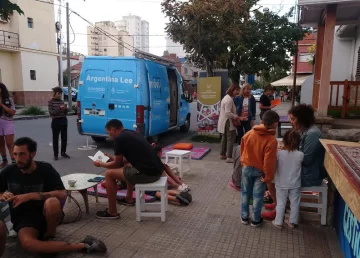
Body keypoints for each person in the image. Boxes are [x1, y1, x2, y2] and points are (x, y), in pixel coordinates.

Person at [0, 137, 106, 254]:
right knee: (28, 244)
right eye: (15, 154)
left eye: (22, 154)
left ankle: (50, 234)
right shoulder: (9, 171)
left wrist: (32, 195)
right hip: (24, 219)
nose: (17, 159)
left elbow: (62, 193)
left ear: (32, 154)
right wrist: (2, 195)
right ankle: (85, 245)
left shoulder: (46, 169)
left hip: (47, 214)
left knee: (52, 202)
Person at [94, 119, 164, 219]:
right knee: (127, 167)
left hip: (149, 174)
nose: (109, 136)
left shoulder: (119, 138)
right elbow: (124, 160)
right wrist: (111, 158)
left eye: (109, 133)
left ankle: (112, 212)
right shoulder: (131, 133)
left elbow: (115, 165)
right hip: (156, 170)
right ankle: (129, 198)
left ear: (113, 130)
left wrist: (100, 164)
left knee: (109, 174)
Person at [240, 110, 279, 227]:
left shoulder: (250, 133)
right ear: (275, 124)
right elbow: (269, 161)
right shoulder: (271, 140)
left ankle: (244, 216)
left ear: (262, 121)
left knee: (245, 193)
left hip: (246, 166)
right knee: (258, 195)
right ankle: (256, 219)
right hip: (260, 171)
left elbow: (242, 147)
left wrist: (243, 161)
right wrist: (268, 177)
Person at [288, 104, 327, 187]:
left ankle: (280, 199)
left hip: (309, 177)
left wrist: (289, 156)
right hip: (304, 173)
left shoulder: (311, 134)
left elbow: (306, 160)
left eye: (293, 119)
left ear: (302, 120)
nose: (291, 122)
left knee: (273, 177)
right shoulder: (305, 130)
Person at [272, 130, 304, 229]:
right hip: (295, 183)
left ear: (284, 141)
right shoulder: (300, 155)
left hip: (281, 182)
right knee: (295, 203)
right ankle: (293, 222)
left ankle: (278, 222)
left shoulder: (279, 154)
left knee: (281, 203)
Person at [218, 83, 244, 163]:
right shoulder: (229, 99)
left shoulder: (226, 98)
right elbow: (228, 113)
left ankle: (223, 154)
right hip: (228, 121)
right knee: (231, 139)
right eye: (237, 90)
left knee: (224, 138)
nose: (238, 92)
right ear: (232, 90)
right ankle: (229, 157)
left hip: (224, 121)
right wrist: (237, 117)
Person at [48, 87, 70, 161]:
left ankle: (63, 152)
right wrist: (60, 108)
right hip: (56, 121)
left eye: (61, 93)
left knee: (64, 138)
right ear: (55, 93)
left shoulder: (61, 101)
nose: (60, 95)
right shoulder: (50, 102)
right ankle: (55, 154)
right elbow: (52, 113)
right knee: (55, 138)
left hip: (63, 120)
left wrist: (66, 109)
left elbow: (65, 113)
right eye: (58, 93)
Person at [0, 83, 16, 168]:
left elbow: (13, 112)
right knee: (1, 144)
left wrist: (2, 105)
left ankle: (14, 162)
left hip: (8, 123)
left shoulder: (9, 99)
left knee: (10, 144)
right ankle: (5, 161)